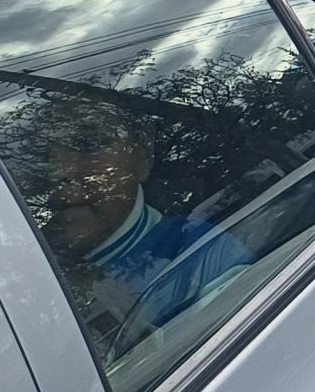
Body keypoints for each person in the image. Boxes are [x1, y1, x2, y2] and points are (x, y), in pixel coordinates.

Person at [18, 102, 257, 359]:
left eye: (88, 144)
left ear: (143, 156)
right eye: (42, 156)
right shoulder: (13, 281)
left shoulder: (206, 260)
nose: (58, 170)